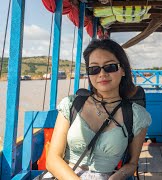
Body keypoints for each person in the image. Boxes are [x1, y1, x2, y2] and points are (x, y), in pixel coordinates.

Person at [46, 39, 151, 179]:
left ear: (123, 70)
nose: (102, 74)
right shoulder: (71, 105)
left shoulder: (136, 115)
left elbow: (132, 163)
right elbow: (53, 159)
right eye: (94, 69)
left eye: (110, 67)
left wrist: (116, 177)